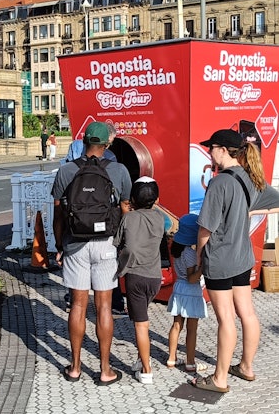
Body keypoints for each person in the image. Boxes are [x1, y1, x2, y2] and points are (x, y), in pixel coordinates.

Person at [192, 129, 279, 393]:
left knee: (226, 319)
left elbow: (205, 229)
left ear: (221, 150)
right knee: (247, 313)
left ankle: (219, 379)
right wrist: (252, 211)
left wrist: (199, 260)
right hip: (243, 258)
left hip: (220, 259)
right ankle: (246, 367)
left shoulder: (219, 183)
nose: (209, 152)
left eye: (211, 148)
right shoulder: (249, 177)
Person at [52, 121, 132, 386]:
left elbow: (58, 214)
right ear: (106, 145)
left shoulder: (65, 171)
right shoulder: (119, 170)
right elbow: (125, 210)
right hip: (106, 244)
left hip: (75, 243)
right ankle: (105, 370)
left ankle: (74, 368)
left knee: (77, 305)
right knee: (104, 307)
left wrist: (59, 245)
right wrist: (122, 243)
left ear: (83, 143)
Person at [114, 176, 165, 384]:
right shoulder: (160, 218)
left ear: (132, 199)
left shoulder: (129, 219)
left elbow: (118, 242)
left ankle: (146, 370)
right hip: (155, 278)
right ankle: (140, 359)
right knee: (142, 318)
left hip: (135, 277)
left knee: (141, 325)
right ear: (157, 199)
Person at [166, 213, 208, 373]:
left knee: (176, 325)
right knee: (192, 329)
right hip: (191, 290)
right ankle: (190, 362)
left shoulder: (177, 251)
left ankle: (171, 358)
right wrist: (203, 268)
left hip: (179, 288)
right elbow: (191, 278)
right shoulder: (190, 254)